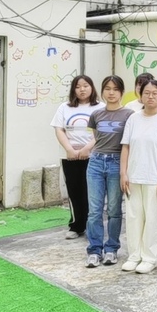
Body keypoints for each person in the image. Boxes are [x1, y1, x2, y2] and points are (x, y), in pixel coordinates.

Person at [120, 79, 157, 274]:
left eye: (154, 93)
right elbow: (126, 147)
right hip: (133, 176)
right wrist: (123, 173)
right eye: (146, 93)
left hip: (154, 177)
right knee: (133, 217)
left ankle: (151, 258)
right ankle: (134, 256)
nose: (150, 96)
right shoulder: (133, 119)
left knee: (152, 218)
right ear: (141, 95)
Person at [85, 76, 133, 267]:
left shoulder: (129, 115)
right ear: (102, 91)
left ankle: (112, 248)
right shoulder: (96, 114)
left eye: (115, 89)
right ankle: (94, 250)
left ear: (121, 92)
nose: (111, 93)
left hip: (116, 163)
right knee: (94, 211)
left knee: (114, 209)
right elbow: (97, 138)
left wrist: (124, 170)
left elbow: (129, 143)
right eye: (107, 89)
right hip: (96, 162)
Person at [51, 75, 104, 239]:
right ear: (73, 89)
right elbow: (59, 129)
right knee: (74, 191)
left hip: (93, 156)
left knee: (91, 192)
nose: (82, 89)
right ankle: (76, 226)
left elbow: (102, 132)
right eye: (78, 86)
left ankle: (92, 226)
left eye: (85, 85)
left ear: (92, 88)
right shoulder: (64, 107)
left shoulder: (100, 107)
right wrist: (69, 149)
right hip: (70, 156)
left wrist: (88, 148)